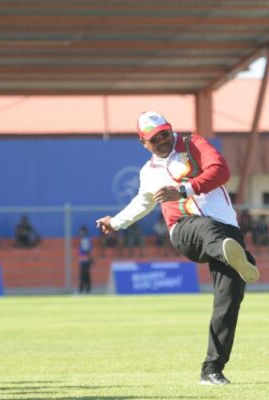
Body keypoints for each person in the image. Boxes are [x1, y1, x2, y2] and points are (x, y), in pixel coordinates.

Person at [95, 111, 259, 386]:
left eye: (165, 134)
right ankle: (242, 257)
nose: (162, 140)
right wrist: (117, 222)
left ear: (171, 131)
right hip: (185, 230)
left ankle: (212, 369)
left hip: (226, 230)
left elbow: (221, 170)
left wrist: (185, 189)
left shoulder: (193, 144)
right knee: (209, 232)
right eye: (154, 138)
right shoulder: (148, 173)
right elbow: (143, 202)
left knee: (228, 301)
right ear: (143, 143)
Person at [78, 226, 93, 294]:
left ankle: (81, 290)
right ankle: (87, 289)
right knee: (86, 275)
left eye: (81, 231)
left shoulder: (85, 240)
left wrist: (89, 258)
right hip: (84, 260)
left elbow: (87, 250)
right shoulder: (85, 239)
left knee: (83, 276)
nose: (80, 233)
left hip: (85, 261)